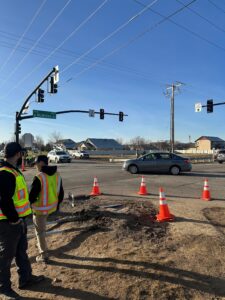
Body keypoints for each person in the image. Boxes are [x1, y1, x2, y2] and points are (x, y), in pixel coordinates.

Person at [0, 142, 44, 300]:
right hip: (8, 223)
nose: (23, 157)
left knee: (21, 251)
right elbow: (4, 200)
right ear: (18, 154)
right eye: (22, 154)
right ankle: (4, 287)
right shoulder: (5, 173)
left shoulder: (13, 171)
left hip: (18, 220)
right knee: (6, 256)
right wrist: (14, 220)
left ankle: (25, 278)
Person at [29, 155, 64, 263]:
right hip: (51, 208)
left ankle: (43, 255)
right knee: (42, 230)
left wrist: (30, 205)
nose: (35, 166)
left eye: (36, 163)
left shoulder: (39, 177)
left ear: (41, 163)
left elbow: (31, 196)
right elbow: (61, 193)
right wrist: (56, 206)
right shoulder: (57, 175)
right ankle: (43, 249)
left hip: (40, 210)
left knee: (40, 232)